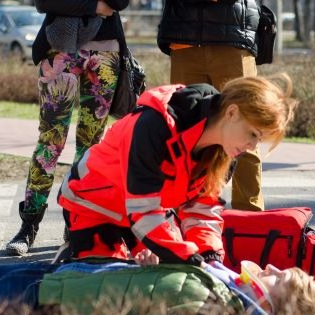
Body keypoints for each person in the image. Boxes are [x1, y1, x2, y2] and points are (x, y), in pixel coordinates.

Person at [58, 74, 296, 266]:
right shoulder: (155, 125)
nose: (253, 147)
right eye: (253, 134)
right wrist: (181, 254)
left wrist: (210, 256)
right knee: (104, 289)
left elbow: (202, 211)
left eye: (260, 140)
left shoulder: (226, 151)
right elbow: (143, 208)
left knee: (166, 280)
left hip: (144, 214)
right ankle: (72, 259)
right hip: (93, 204)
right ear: (231, 112)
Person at [5, 0, 130, 256]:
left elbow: (119, 2)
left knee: (91, 148)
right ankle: (28, 226)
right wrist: (93, 6)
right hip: (58, 51)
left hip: (105, 54)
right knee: (50, 143)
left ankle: (77, 223)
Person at [0, 252, 315, 315]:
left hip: (62, 301)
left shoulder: (221, 308)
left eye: (281, 277)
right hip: (73, 275)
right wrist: (150, 262)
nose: (271, 267)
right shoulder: (229, 285)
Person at [157, 0, 266, 212]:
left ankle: (250, 221)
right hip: (185, 38)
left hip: (234, 37)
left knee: (246, 126)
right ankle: (186, 211)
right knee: (185, 129)